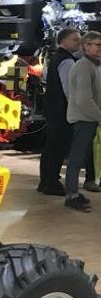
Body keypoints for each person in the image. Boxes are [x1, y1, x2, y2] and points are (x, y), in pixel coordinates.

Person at [38, 28, 97, 195]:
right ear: (63, 41)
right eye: (75, 40)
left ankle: (46, 181)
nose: (79, 43)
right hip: (62, 112)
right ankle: (51, 182)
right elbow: (69, 89)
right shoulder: (67, 61)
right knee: (58, 147)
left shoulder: (56, 58)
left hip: (52, 109)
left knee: (51, 147)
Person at [64, 30, 101, 212]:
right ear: (86, 46)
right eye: (98, 45)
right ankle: (71, 195)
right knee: (77, 158)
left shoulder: (94, 66)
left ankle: (74, 193)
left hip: (90, 118)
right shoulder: (84, 67)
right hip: (84, 119)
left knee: (82, 158)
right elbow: (84, 99)